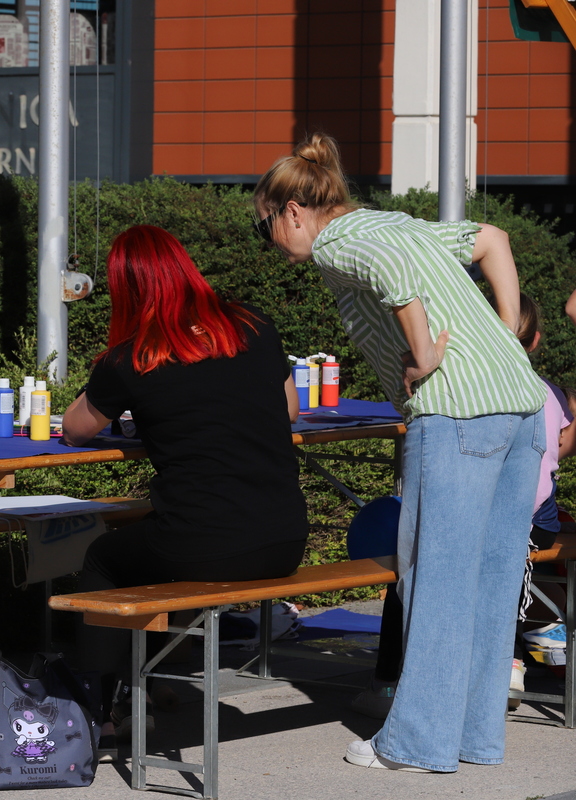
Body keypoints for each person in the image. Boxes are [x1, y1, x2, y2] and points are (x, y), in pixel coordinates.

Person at [253, 133, 546, 773]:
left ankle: (415, 742)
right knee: (491, 582)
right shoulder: (396, 224)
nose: (269, 240)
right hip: (521, 408)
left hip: (456, 411)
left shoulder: (336, 241)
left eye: (264, 225)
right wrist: (506, 331)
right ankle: (473, 737)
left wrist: (424, 355)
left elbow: (398, 277)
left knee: (436, 579)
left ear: (293, 212)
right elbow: (493, 238)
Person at [60, 224, 308, 741]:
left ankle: (99, 708)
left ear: (126, 289)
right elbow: (288, 408)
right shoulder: (253, 326)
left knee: (104, 557)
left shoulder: (132, 358)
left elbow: (75, 429)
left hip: (205, 544)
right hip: (285, 538)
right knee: (158, 539)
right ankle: (145, 687)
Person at [349, 293, 575, 719]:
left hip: (501, 519)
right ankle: (509, 659)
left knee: (412, 566)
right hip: (537, 523)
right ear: (536, 342)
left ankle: (388, 681)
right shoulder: (547, 393)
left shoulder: (467, 389)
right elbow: (553, 454)